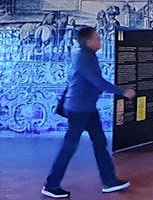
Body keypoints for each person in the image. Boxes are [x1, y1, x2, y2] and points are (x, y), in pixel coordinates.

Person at [42, 26, 135, 198]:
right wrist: (122, 91)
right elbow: (97, 81)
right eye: (97, 38)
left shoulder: (87, 56)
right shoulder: (84, 57)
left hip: (87, 109)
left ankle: (110, 180)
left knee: (100, 144)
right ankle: (51, 185)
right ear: (88, 41)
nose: (100, 40)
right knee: (69, 148)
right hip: (79, 110)